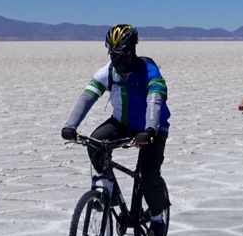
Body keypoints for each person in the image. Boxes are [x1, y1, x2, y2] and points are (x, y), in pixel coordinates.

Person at [61, 24, 171, 222]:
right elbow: (87, 97)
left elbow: (155, 99)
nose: (118, 59)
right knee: (96, 143)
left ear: (133, 50)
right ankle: (108, 195)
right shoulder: (109, 72)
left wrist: (150, 129)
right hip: (123, 123)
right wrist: (71, 125)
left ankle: (157, 220)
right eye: (113, 54)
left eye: (122, 54)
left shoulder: (148, 70)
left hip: (154, 128)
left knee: (148, 175)